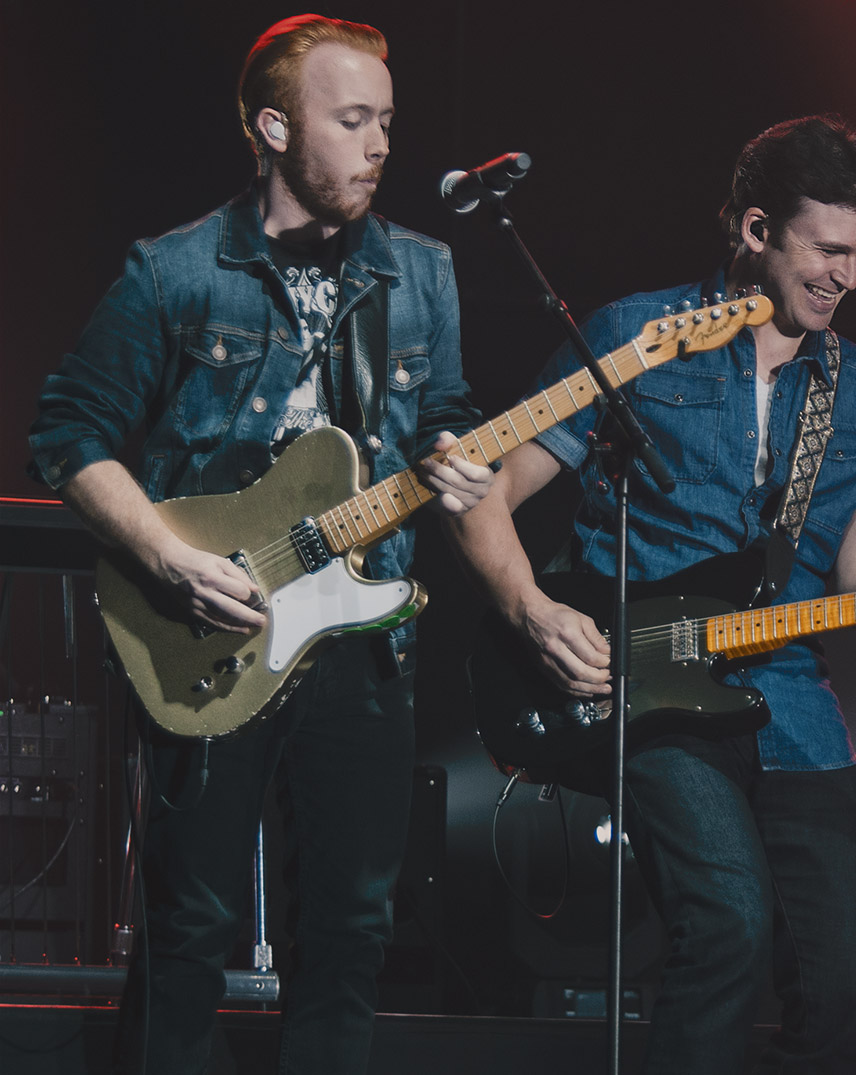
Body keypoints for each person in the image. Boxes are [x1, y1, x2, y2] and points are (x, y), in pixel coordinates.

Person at [444, 115, 856, 1073]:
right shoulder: (637, 338)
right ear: (757, 229)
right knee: (726, 925)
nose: (848, 276)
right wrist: (532, 611)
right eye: (828, 249)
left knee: (849, 995)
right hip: (646, 688)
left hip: (790, 703)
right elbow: (484, 488)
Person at [25, 15, 492, 1074]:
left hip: (366, 645)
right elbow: (67, 433)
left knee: (351, 932)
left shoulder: (421, 272)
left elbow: (445, 414)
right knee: (189, 924)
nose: (380, 144)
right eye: (352, 119)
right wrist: (166, 557)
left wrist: (456, 456)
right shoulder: (178, 270)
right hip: (216, 625)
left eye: (387, 120)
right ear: (274, 128)